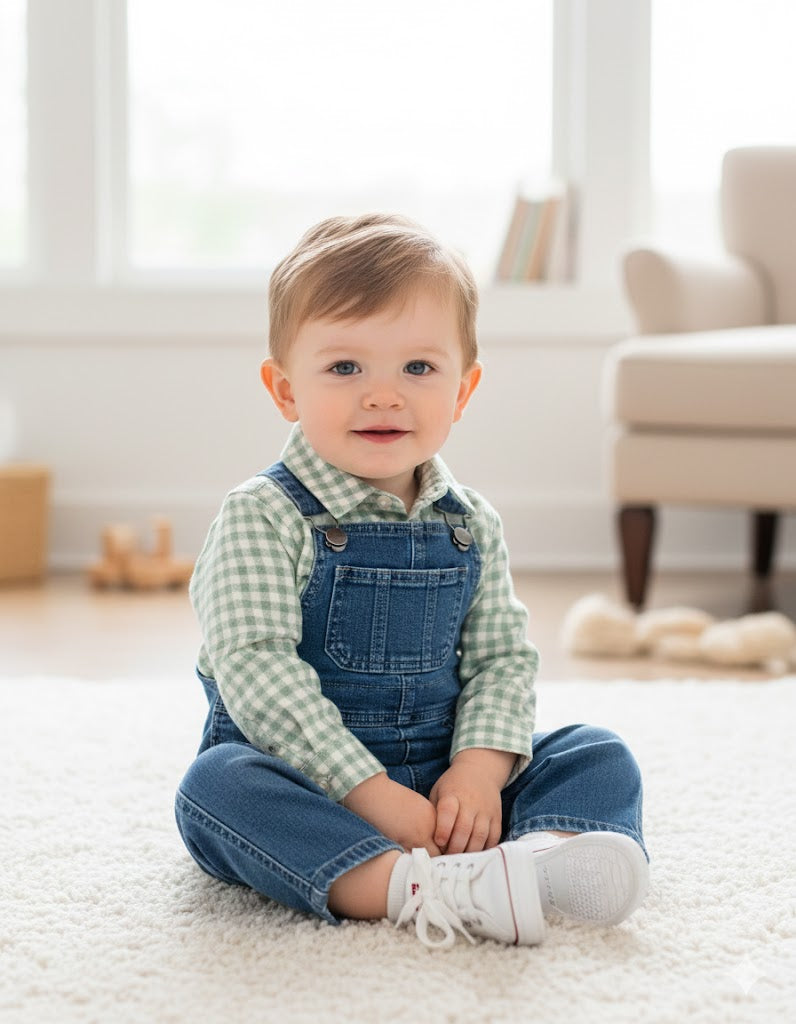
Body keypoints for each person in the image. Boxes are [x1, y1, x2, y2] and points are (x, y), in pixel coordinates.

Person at [175, 213, 649, 949]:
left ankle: (538, 859)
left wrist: (480, 772)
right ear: (284, 389)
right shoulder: (263, 518)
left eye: (418, 369)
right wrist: (369, 794)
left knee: (594, 751)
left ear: (463, 390)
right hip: (313, 780)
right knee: (218, 791)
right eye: (345, 368)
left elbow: (500, 659)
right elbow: (257, 671)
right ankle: (413, 886)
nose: (383, 395)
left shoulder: (471, 521)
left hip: (445, 780)